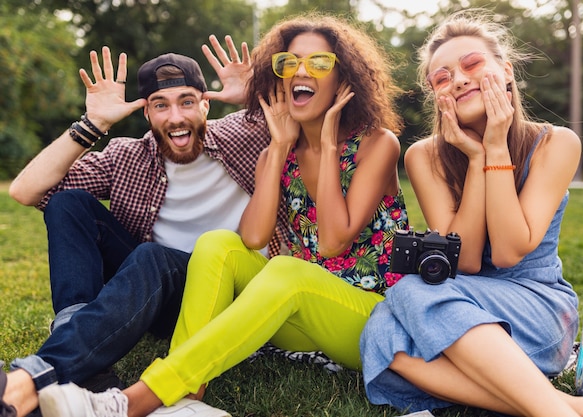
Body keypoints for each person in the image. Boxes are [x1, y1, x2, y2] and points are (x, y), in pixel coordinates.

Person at [34, 12, 410, 417]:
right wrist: (279, 149)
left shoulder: (378, 143)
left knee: (287, 271)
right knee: (217, 243)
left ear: (344, 79)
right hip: (298, 317)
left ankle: (133, 401)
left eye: (319, 63)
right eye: (288, 63)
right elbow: (251, 238)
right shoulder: (277, 151)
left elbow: (334, 241)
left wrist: (330, 145)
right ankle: (187, 398)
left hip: (367, 317)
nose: (302, 71)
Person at [1, 36, 288, 417]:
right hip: (163, 300)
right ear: (147, 115)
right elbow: (25, 190)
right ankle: (89, 361)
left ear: (206, 103)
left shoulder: (246, 131)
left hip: (235, 293)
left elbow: (310, 120)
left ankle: (37, 378)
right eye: (161, 105)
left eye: (187, 101)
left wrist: (252, 96)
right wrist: (94, 122)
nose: (176, 117)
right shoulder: (128, 156)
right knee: (68, 203)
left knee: (153, 256)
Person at [359, 8, 583, 417]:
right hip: (458, 298)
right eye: (443, 77)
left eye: (472, 64)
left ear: (506, 73)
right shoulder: (423, 156)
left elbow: (506, 252)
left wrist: (496, 149)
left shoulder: (557, 143)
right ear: (436, 95)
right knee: (380, 332)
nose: (460, 79)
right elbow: (464, 261)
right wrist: (474, 156)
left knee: (408, 295)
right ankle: (581, 410)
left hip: (535, 308)